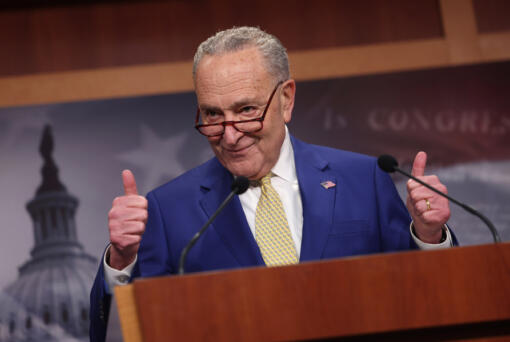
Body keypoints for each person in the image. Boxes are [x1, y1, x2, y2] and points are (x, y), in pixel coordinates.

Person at [89, 26, 454, 342]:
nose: (229, 136)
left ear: (286, 99)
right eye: (213, 115)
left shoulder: (363, 179)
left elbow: (429, 302)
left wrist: (429, 237)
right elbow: (125, 333)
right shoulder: (168, 211)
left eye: (246, 110)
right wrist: (122, 260)